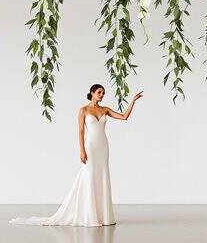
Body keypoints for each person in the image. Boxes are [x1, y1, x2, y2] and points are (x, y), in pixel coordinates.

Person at [11, 84, 144, 227]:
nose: (102, 95)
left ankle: (103, 216)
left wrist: (133, 101)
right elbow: (80, 131)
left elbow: (124, 117)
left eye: (103, 93)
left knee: (102, 175)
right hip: (90, 146)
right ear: (92, 93)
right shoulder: (84, 110)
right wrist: (81, 150)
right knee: (90, 175)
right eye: (99, 92)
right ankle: (89, 214)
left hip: (103, 146)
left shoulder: (104, 110)